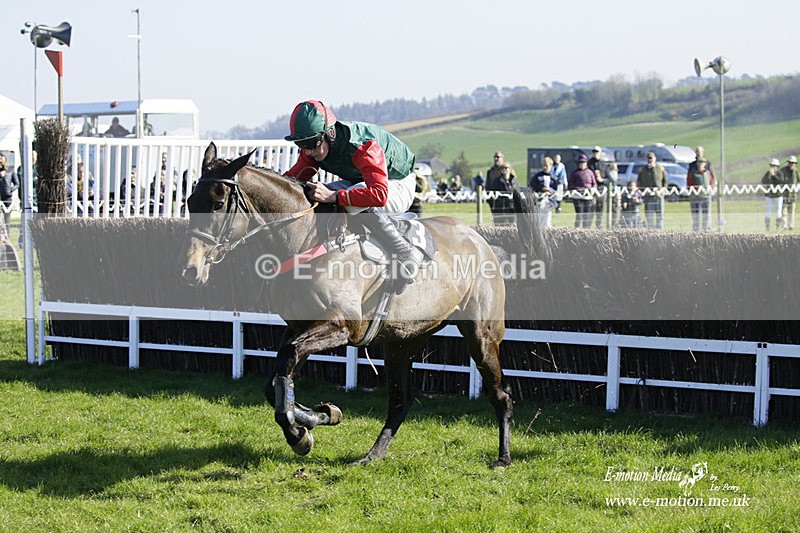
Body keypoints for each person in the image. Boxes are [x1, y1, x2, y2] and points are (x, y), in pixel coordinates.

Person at [283, 100, 421, 292]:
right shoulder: (314, 144)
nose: (308, 151)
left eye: (311, 144)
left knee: (342, 199)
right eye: (301, 144)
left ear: (329, 133)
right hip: (360, 180)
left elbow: (378, 195)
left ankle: (405, 251)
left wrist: (333, 196)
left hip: (397, 183)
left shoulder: (363, 146)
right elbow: (292, 181)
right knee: (312, 194)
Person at [636, 151, 667, 229]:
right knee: (649, 216)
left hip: (659, 195)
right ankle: (651, 231)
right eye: (648, 158)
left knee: (660, 216)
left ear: (655, 158)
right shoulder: (643, 169)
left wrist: (663, 189)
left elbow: (664, 181)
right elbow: (639, 181)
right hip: (648, 196)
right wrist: (642, 191)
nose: (650, 160)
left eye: (651, 158)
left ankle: (660, 232)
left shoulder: (659, 168)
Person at [485, 151, 517, 225]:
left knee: (510, 223)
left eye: (498, 157)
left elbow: (515, 186)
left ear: (503, 158)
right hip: (495, 202)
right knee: (498, 222)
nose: (496, 159)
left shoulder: (509, 171)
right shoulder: (490, 172)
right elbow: (488, 186)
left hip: (509, 204)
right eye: (495, 157)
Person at [568, 153, 596, 228]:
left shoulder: (590, 172)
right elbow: (570, 184)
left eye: (583, 162)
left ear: (586, 163)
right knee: (579, 214)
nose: (582, 164)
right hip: (578, 196)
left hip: (588, 196)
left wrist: (592, 190)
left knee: (587, 215)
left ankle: (586, 229)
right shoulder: (575, 173)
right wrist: (577, 189)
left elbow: (594, 183)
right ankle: (577, 229)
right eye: (580, 163)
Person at [687, 157, 714, 231]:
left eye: (702, 162)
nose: (700, 164)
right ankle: (696, 230)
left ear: (705, 164)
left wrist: (711, 188)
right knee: (696, 215)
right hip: (696, 197)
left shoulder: (708, 173)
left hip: (706, 196)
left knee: (707, 214)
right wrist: (697, 188)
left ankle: (706, 229)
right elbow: (689, 184)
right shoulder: (693, 173)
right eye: (699, 162)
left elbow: (711, 182)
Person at [762, 158, 785, 231]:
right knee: (768, 211)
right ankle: (767, 228)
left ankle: (778, 227)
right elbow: (763, 181)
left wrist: (774, 175)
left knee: (778, 212)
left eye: (774, 166)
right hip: (769, 196)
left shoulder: (780, 173)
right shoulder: (768, 173)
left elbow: (781, 181)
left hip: (778, 196)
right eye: (772, 165)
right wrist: (769, 175)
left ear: (777, 166)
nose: (773, 167)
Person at [0, 153, 19, 237]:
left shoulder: (10, 170)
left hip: (7, 198)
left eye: (1, 158)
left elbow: (17, 184)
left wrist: (10, 190)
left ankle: (7, 236)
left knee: (7, 219)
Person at [588, 146, 607, 228]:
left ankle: (599, 226)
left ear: (600, 153)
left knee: (601, 209)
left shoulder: (604, 164)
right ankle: (588, 227)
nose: (595, 153)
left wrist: (602, 180)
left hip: (602, 189)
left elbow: (609, 178)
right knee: (591, 207)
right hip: (592, 189)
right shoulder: (589, 163)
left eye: (597, 152)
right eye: (594, 152)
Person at [781, 155, 798, 230]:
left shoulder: (796, 172)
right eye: (790, 162)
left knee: (791, 212)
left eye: (793, 163)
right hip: (784, 195)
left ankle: (791, 226)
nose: (792, 164)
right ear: (788, 163)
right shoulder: (783, 170)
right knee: (784, 212)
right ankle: (784, 226)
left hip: (793, 195)